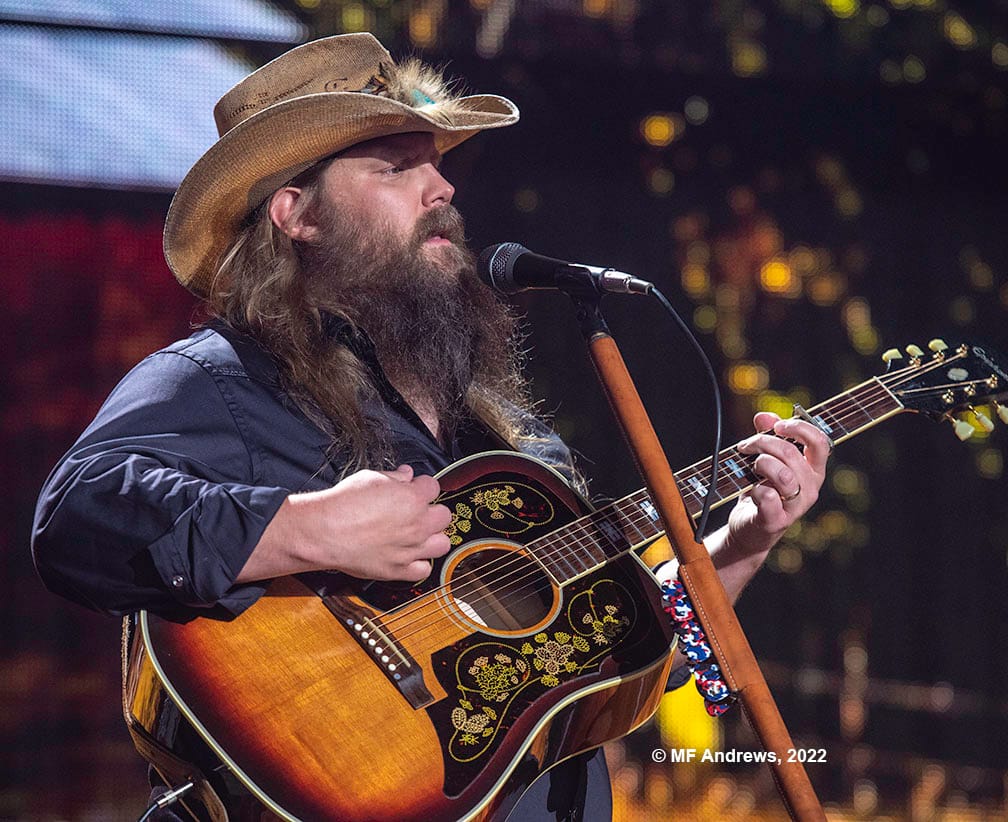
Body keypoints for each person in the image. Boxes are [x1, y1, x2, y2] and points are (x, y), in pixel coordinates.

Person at [31, 33, 831, 822]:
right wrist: (304, 530)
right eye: (396, 167)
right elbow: (76, 516)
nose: (441, 188)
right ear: (296, 214)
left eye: (438, 164)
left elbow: (610, 662)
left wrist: (743, 541)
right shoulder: (224, 379)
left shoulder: (512, 443)